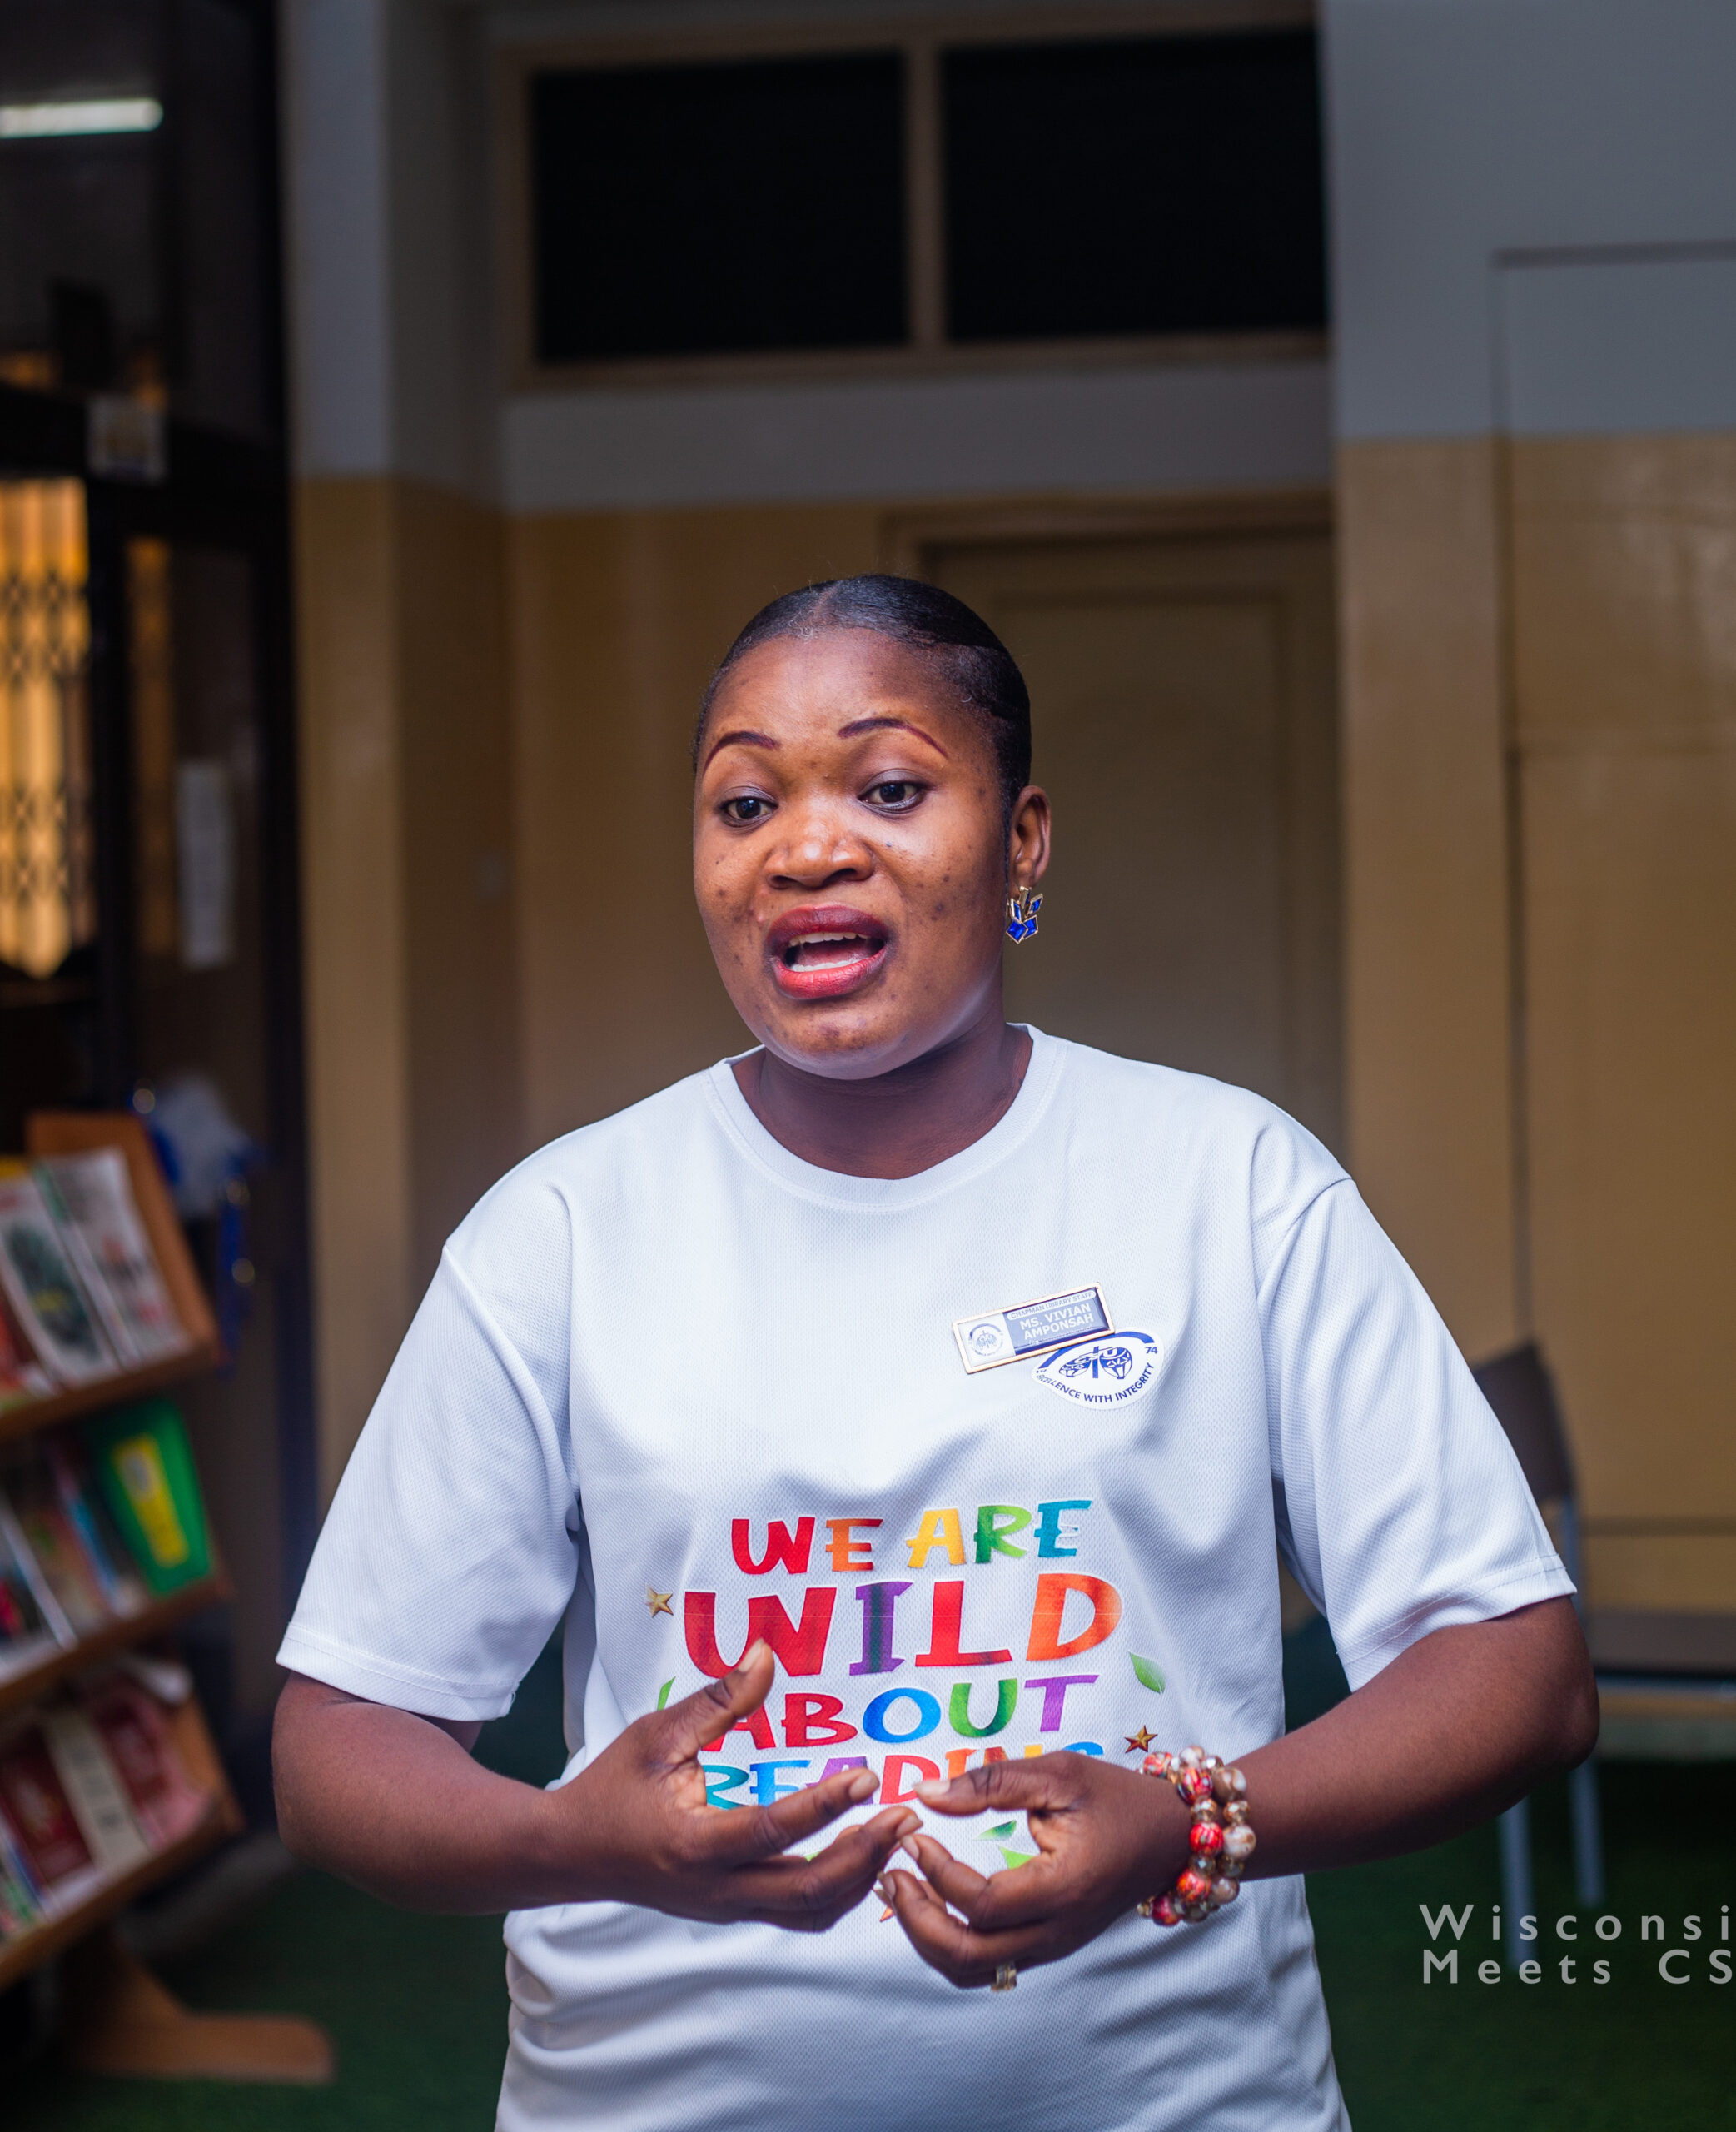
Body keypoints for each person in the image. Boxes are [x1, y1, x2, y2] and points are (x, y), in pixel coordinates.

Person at [273, 575, 1597, 2132]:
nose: (806, 849)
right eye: (744, 802)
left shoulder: (1227, 1183)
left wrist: (1190, 1818)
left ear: (1021, 841)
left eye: (890, 789)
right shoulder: (559, 1231)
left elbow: (1515, 1670)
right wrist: (577, 1843)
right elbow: (340, 1741)